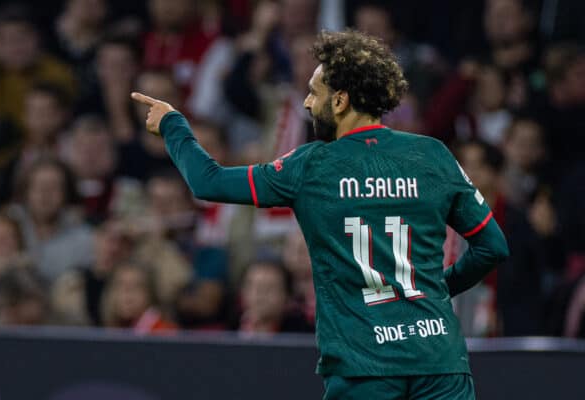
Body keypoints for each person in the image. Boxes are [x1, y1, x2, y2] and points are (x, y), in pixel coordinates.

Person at [132, 30, 509, 400]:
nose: (308, 104)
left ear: (341, 101)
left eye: (315, 92)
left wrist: (172, 126)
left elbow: (208, 182)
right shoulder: (432, 155)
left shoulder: (311, 168)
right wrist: (439, 288)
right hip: (439, 361)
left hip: (364, 365)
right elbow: (491, 246)